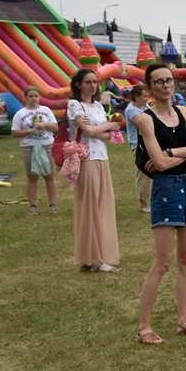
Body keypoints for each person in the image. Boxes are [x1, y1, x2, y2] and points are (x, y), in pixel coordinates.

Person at [134, 62, 186, 345]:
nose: (166, 86)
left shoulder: (182, 112)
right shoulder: (145, 119)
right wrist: (182, 154)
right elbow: (160, 165)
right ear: (150, 87)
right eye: (159, 82)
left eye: (169, 80)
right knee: (163, 262)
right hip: (165, 189)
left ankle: (184, 320)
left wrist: (173, 151)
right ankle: (143, 328)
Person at [68, 68, 122, 272]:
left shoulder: (99, 105)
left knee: (103, 206)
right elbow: (89, 131)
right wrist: (107, 127)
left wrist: (104, 129)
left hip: (102, 157)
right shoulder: (75, 105)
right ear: (79, 84)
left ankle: (101, 255)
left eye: (95, 82)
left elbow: (107, 136)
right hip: (87, 158)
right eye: (88, 82)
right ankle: (92, 258)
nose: (92, 85)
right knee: (89, 208)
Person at [11, 86, 59, 216]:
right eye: (31, 96)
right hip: (29, 147)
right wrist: (30, 131)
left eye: (36, 96)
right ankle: (32, 206)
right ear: (25, 98)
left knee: (49, 176)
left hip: (46, 146)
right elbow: (14, 132)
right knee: (32, 177)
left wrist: (44, 125)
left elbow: (55, 127)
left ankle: (53, 204)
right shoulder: (20, 114)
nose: (34, 98)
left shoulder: (46, 110)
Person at [123, 84, 152, 213]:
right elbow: (143, 123)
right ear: (136, 96)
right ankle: (143, 203)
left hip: (149, 143)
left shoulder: (144, 107)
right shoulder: (131, 110)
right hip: (139, 145)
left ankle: (151, 200)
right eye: (145, 96)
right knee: (143, 175)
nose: (147, 99)